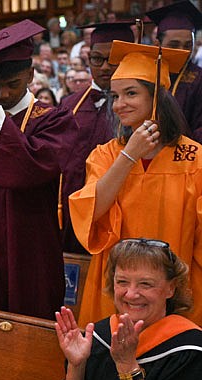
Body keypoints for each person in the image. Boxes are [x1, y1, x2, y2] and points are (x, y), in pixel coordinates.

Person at [68, 40, 202, 326]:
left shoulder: (194, 158)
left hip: (174, 292)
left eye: (131, 93)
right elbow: (91, 212)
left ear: (157, 98)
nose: (119, 104)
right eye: (115, 96)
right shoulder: (106, 154)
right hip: (116, 289)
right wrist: (129, 155)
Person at [0, 19, 76, 319]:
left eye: (12, 85)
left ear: (31, 73)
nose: (4, 95)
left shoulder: (54, 121)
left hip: (30, 249)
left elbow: (27, 169)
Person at [46, 239, 202, 380]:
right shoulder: (98, 338)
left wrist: (127, 366)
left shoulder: (190, 352)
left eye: (146, 284)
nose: (131, 294)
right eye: (122, 281)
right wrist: (76, 367)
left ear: (171, 288)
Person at [59, 22, 134, 254]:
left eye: (113, 60)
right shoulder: (69, 105)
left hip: (121, 214)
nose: (104, 67)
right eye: (96, 59)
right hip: (74, 215)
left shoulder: (140, 108)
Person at [147, 1, 202, 142]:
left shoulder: (199, 79)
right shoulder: (145, 74)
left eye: (188, 45)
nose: (182, 51)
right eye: (174, 45)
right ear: (157, 45)